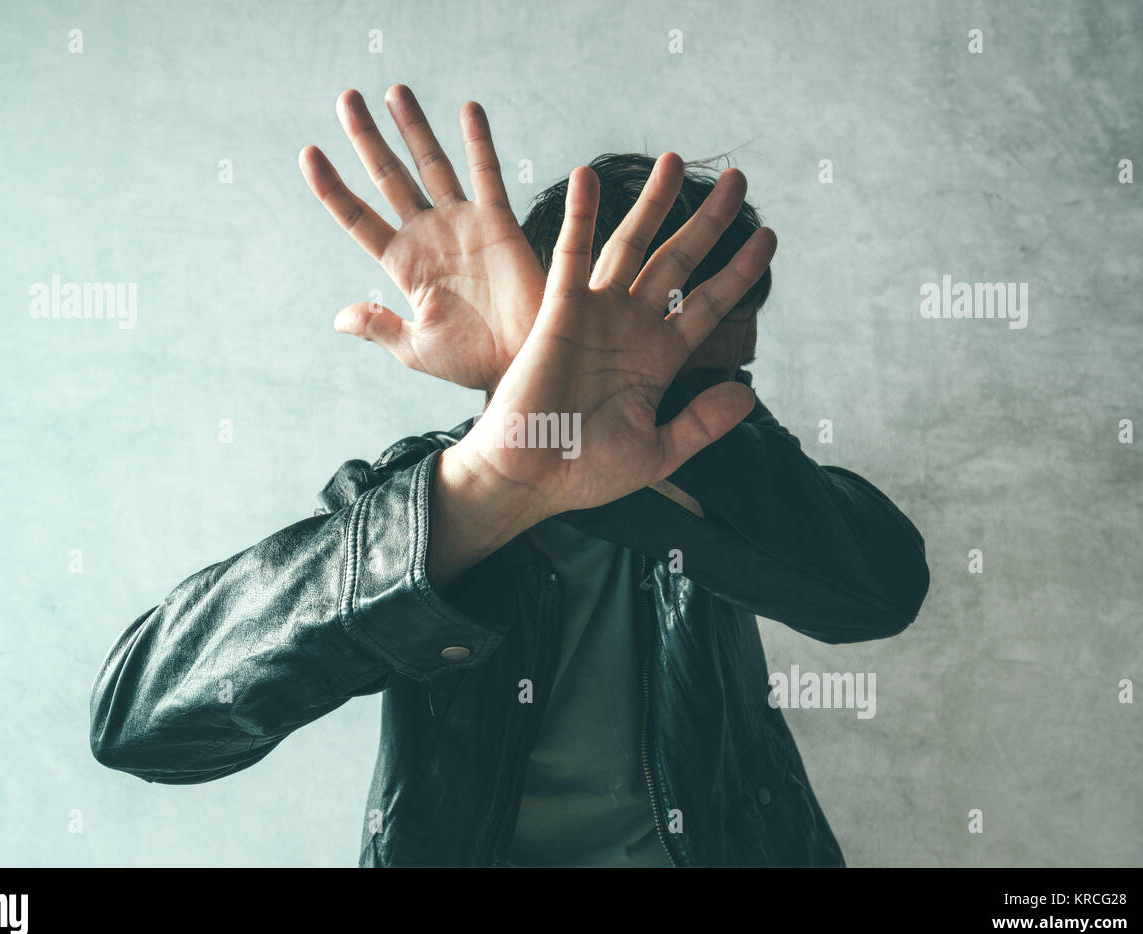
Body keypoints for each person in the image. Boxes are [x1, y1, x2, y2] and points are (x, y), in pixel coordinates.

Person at [89, 85, 930, 867]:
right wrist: (487, 486)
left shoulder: (726, 476)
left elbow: (879, 592)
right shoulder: (427, 499)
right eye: (669, 372)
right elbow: (141, 720)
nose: (716, 409)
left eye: (727, 373)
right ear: (546, 331)